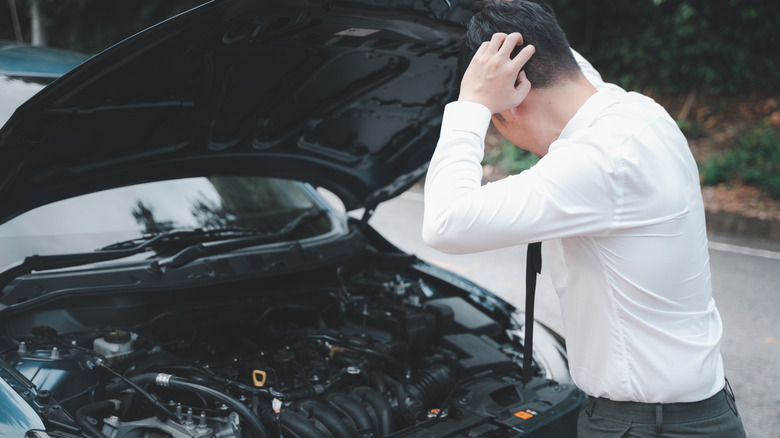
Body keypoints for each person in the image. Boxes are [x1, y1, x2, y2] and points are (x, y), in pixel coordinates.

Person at [421, 1, 747, 436]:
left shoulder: (599, 162)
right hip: (698, 412)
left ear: (515, 97)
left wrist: (472, 105)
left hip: (645, 426)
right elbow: (572, 69)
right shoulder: (636, 113)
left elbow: (444, 223)